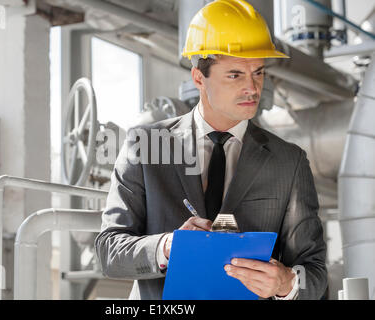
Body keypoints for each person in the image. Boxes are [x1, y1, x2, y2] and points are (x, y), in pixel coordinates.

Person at [94, 0, 327, 300]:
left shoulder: (288, 162)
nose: (252, 88)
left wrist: (287, 284)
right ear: (199, 78)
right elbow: (109, 251)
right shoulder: (145, 146)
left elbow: (316, 271)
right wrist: (167, 246)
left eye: (258, 72)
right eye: (235, 75)